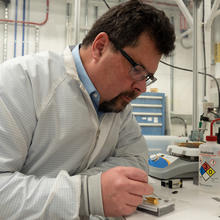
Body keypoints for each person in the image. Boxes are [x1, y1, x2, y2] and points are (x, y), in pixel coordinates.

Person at [0, 0, 175, 219]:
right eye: (137, 69)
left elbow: (137, 160)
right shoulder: (21, 81)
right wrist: (85, 194)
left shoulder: (118, 105)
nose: (141, 88)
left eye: (147, 76)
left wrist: (95, 187)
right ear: (100, 47)